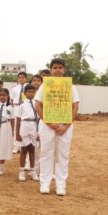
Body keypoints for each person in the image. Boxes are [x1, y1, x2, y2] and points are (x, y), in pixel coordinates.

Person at [35, 58, 80, 196]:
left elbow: (75, 106)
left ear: (64, 69)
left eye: (60, 67)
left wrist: (66, 126)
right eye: (55, 67)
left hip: (65, 127)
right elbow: (38, 105)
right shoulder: (44, 86)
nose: (58, 70)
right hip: (47, 125)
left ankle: (61, 185)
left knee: (62, 156)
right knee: (46, 154)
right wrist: (49, 123)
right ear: (51, 69)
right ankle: (45, 183)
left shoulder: (71, 87)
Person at [15, 84, 39, 182]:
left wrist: (39, 132)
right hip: (24, 126)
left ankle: (32, 171)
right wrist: (17, 134)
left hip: (33, 126)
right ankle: (21, 171)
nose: (31, 93)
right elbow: (18, 119)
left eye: (33, 92)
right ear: (25, 93)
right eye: (29, 92)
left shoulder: (37, 104)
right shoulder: (21, 105)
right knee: (24, 149)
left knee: (32, 149)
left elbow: (39, 119)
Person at [11, 72, 28, 153]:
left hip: (26, 109)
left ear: (26, 79)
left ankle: (23, 146)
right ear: (18, 79)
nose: (21, 79)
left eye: (23, 77)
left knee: (24, 127)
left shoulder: (28, 88)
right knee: (16, 127)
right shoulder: (14, 89)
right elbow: (11, 100)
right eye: (20, 77)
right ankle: (16, 146)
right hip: (17, 108)